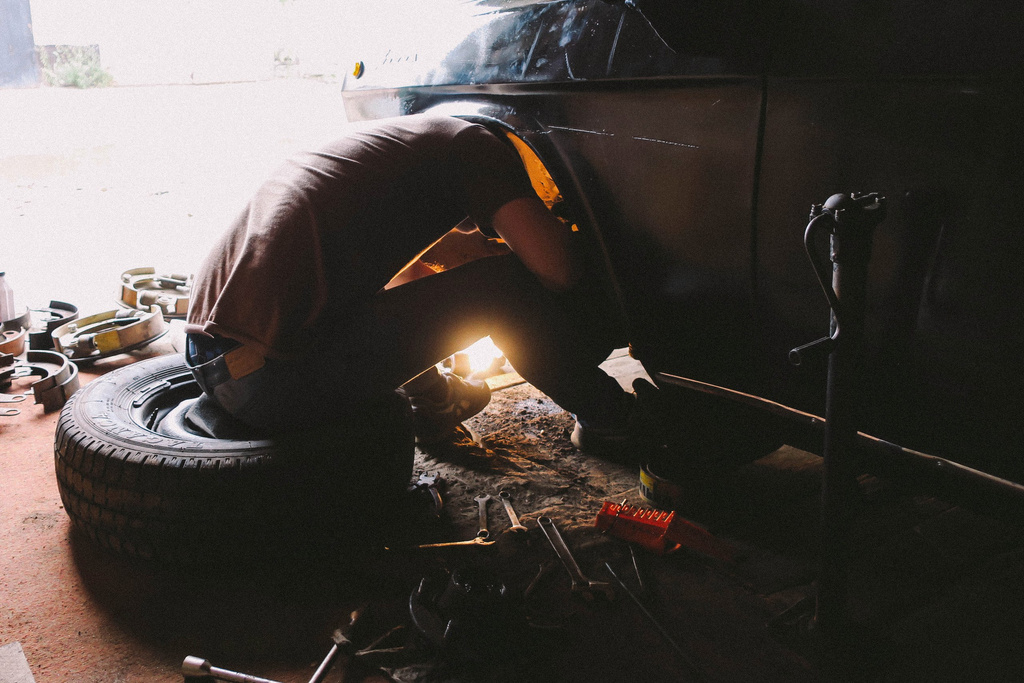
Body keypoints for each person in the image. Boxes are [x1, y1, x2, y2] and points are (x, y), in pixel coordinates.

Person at [184, 114, 632, 449]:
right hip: (273, 382)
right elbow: (559, 269)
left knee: (442, 287)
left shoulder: (399, 152)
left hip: (217, 362)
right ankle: (611, 422)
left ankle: (436, 403)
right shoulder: (479, 147)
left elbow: (409, 280)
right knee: (504, 288)